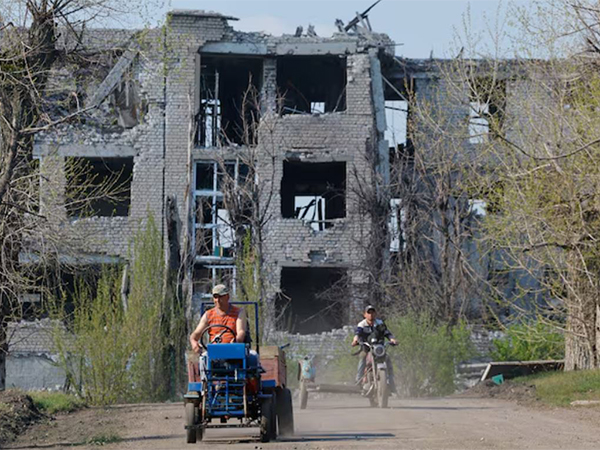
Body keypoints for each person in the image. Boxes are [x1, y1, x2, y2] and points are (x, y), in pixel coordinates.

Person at [351, 305, 398, 393]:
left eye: (373, 312)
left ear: (375, 314)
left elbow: (386, 332)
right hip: (367, 348)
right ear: (365, 314)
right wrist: (355, 340)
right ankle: (358, 380)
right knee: (362, 357)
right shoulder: (362, 324)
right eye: (369, 313)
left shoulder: (379, 323)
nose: (371, 315)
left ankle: (391, 383)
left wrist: (392, 339)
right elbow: (357, 333)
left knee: (387, 359)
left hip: (379, 348)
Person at [190, 284, 247, 353]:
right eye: (215, 297)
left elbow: (241, 332)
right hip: (214, 353)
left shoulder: (239, 312)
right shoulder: (208, 315)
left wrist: (236, 340)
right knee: (203, 359)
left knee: (251, 358)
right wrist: (193, 342)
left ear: (227, 297)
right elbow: (196, 334)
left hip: (233, 351)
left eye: (221, 297)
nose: (218, 300)